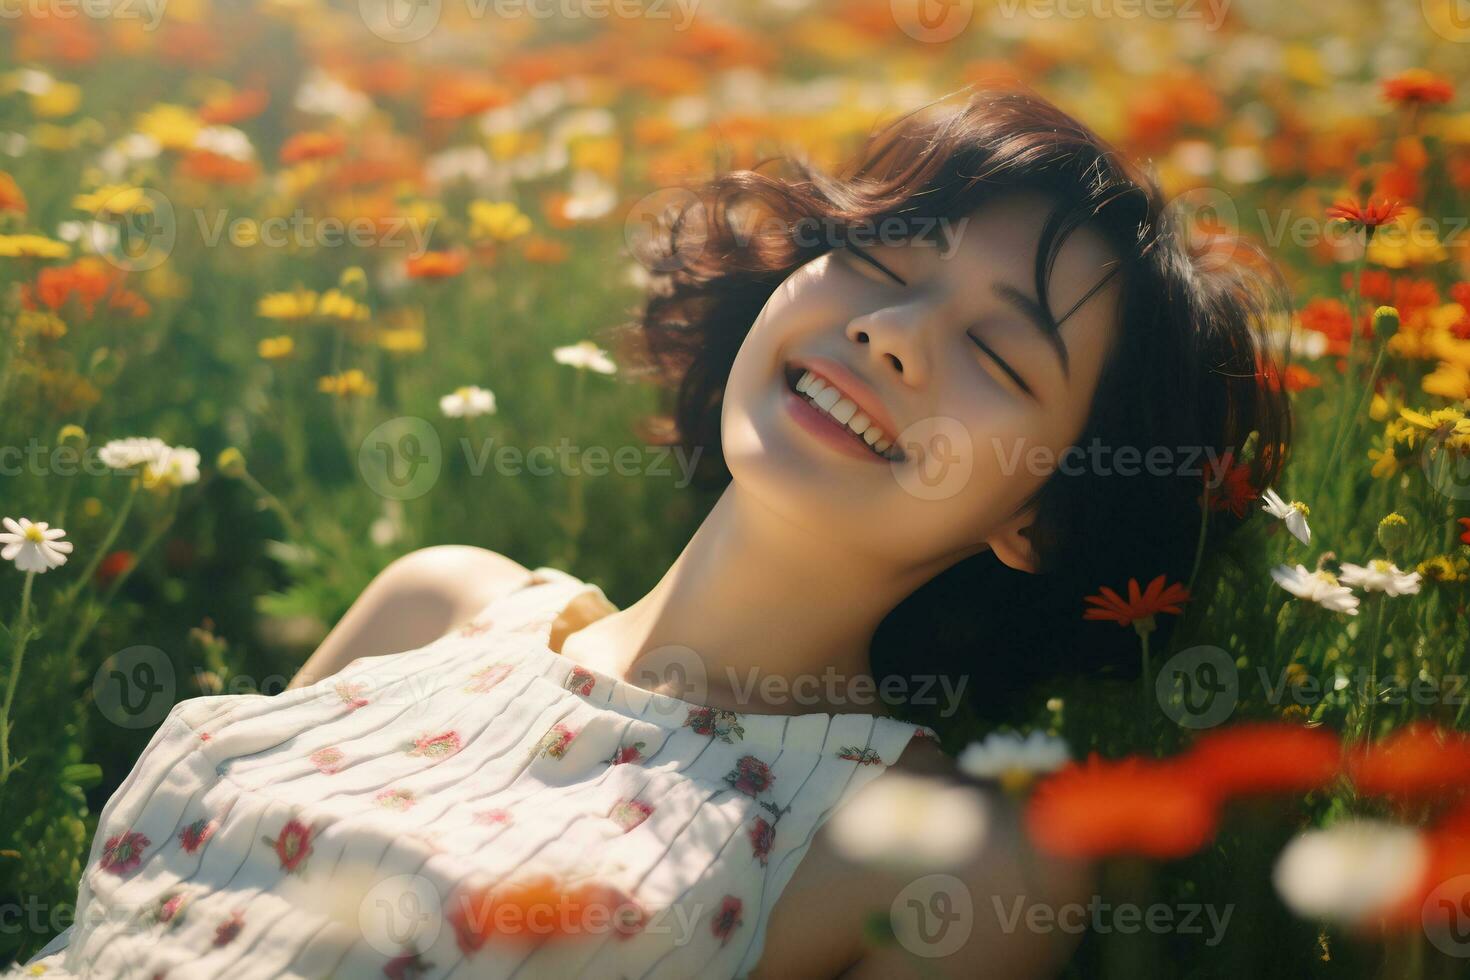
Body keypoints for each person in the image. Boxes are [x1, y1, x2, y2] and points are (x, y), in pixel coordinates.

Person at [19, 85, 1288, 979]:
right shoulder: (437, 603)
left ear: (1040, 515)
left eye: (1000, 353)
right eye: (884, 256)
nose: (893, 332)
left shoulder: (940, 858)